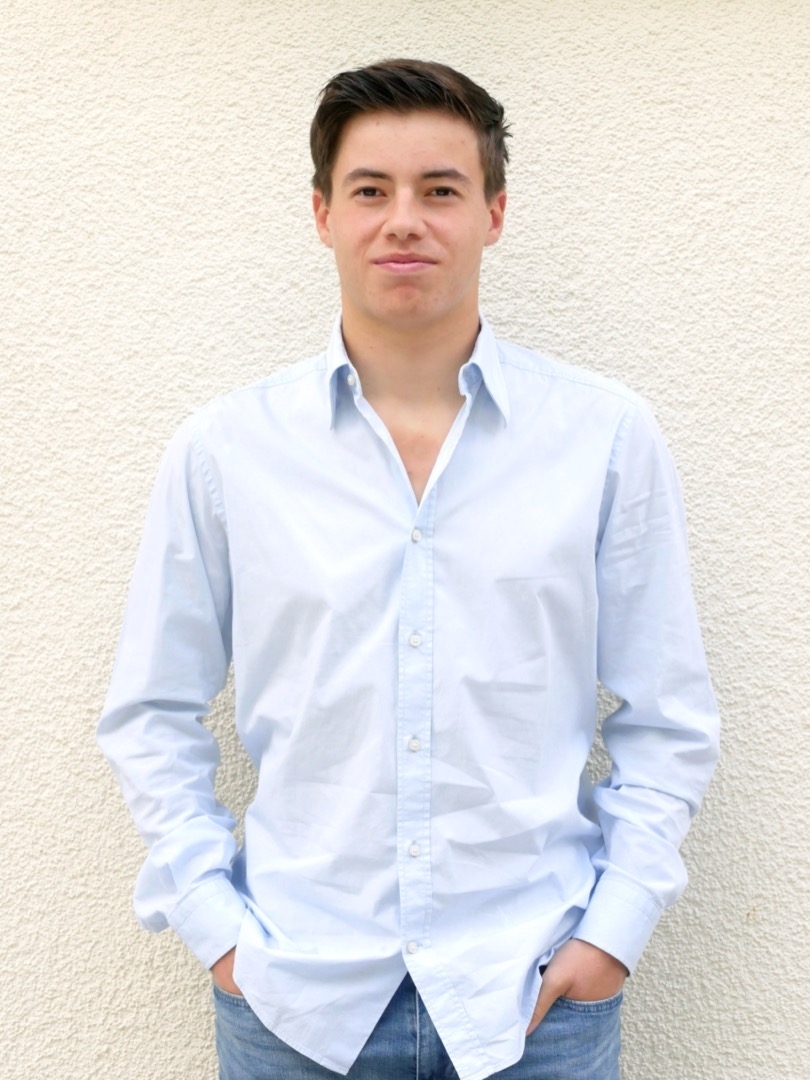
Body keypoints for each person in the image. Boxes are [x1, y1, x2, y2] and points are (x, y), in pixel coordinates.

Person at [98, 59, 719, 1080]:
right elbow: (150, 711)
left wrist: (615, 929)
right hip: (295, 1003)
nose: (403, 221)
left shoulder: (604, 438)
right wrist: (217, 928)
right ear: (322, 214)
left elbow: (670, 717)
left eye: (440, 189)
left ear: (494, 213)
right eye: (369, 190)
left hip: (534, 1000)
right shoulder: (226, 452)